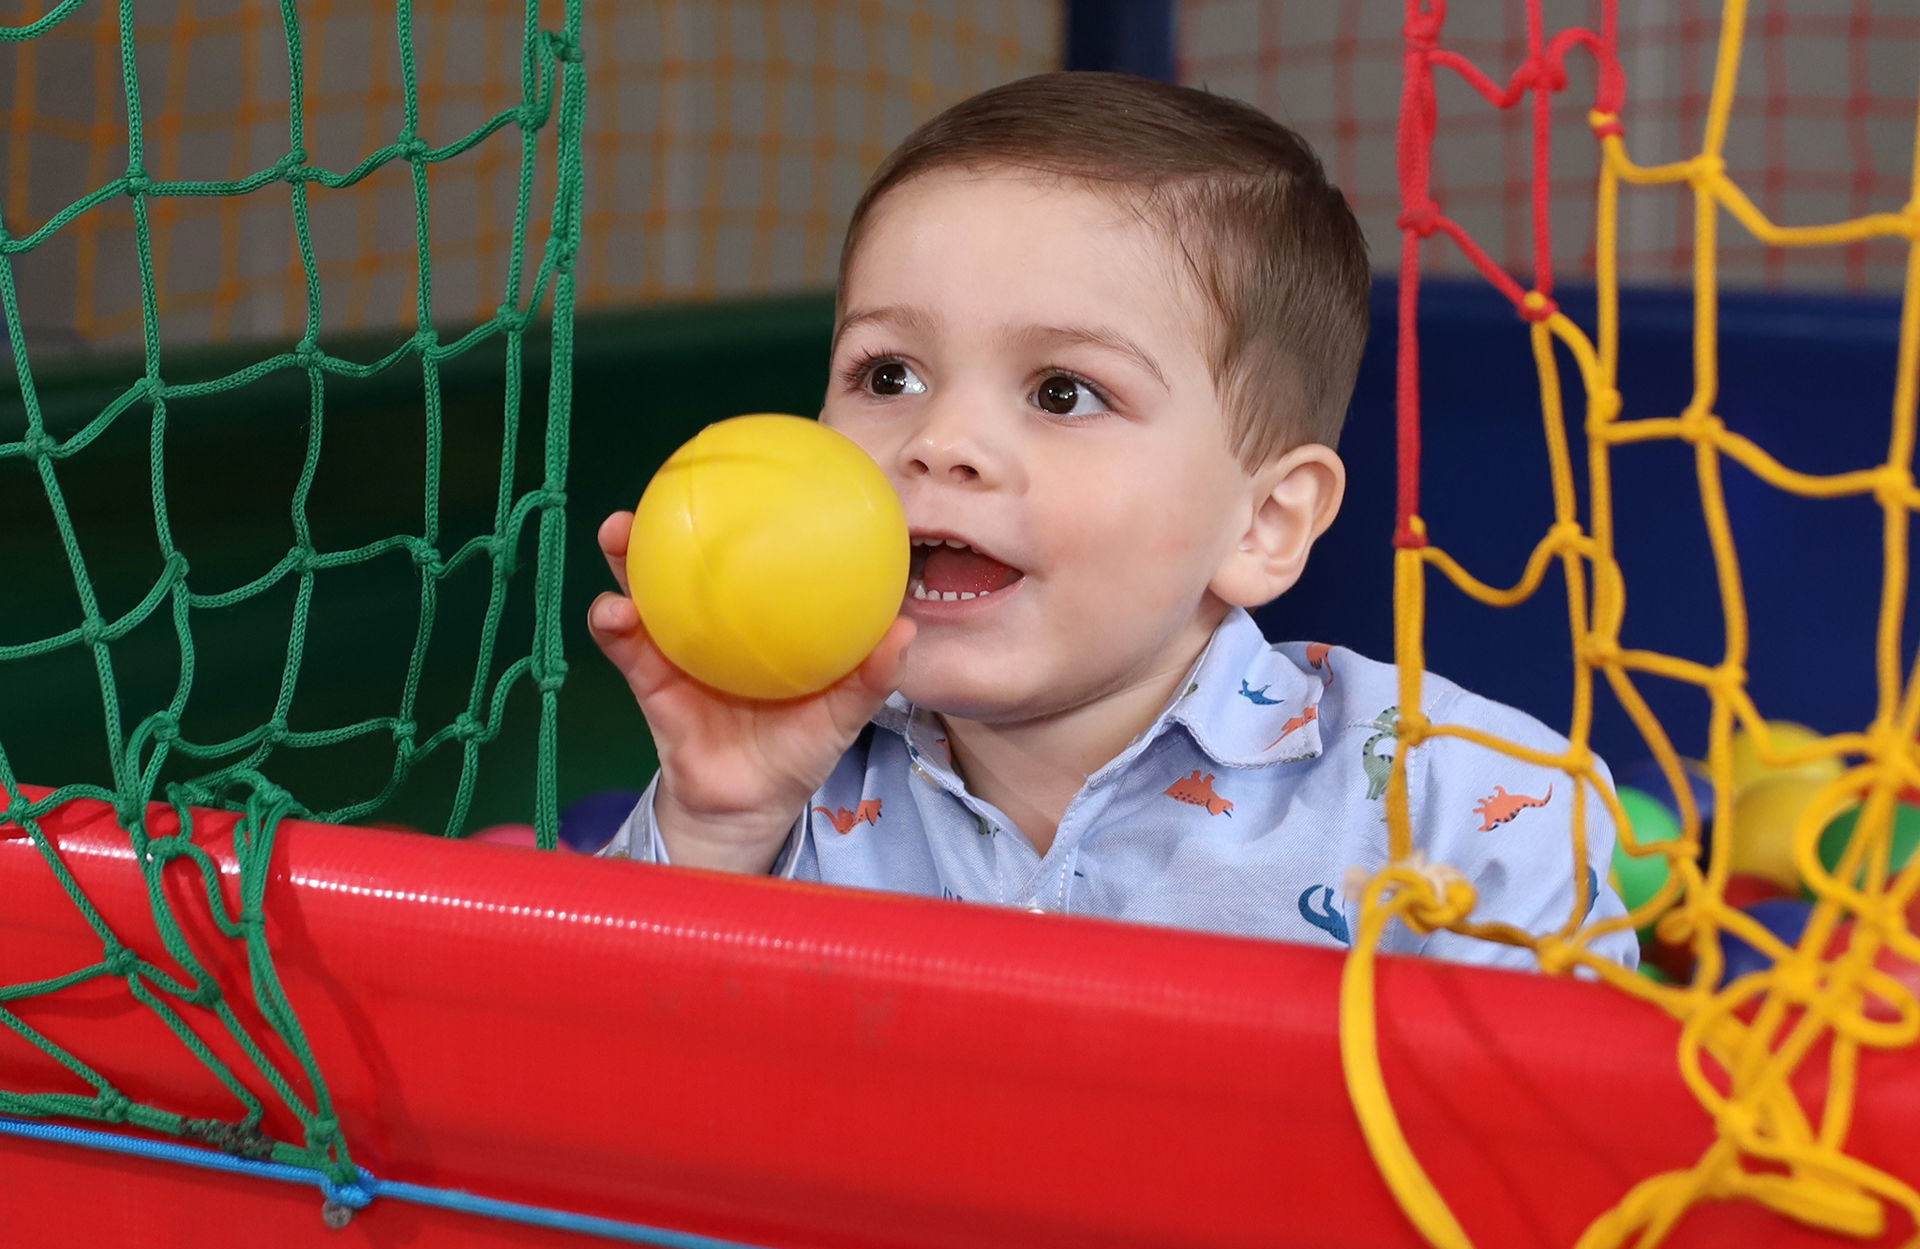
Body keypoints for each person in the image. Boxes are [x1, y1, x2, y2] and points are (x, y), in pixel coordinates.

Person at [587, 71, 1635, 971]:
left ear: (1264, 523)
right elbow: (592, 1094)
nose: (939, 441)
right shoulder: (784, 792)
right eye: (889, 374)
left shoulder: (1460, 808)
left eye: (1063, 393)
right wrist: (715, 827)